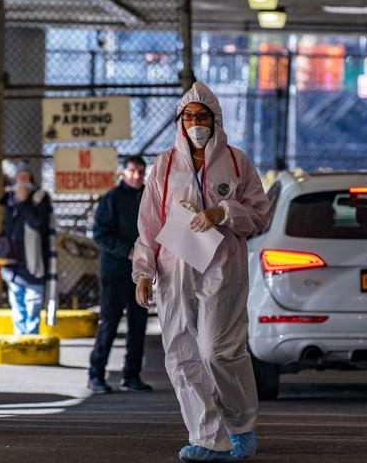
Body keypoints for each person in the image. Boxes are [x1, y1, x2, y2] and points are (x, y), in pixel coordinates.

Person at [132, 82, 270, 462]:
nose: (195, 122)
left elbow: (259, 215)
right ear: (180, 120)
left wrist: (223, 212)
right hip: (175, 268)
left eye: (202, 116)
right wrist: (143, 270)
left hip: (222, 268)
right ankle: (208, 437)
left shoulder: (238, 162)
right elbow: (148, 222)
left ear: (216, 119)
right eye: (189, 116)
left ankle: (241, 425)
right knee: (181, 354)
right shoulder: (163, 165)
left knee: (217, 351)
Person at [88, 155, 152, 394]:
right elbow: (100, 234)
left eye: (141, 171)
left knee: (138, 325)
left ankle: (132, 375)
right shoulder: (111, 199)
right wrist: (128, 250)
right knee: (109, 323)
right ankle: (96, 375)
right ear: (123, 173)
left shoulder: (149, 197)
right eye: (133, 171)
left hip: (142, 272)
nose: (137, 176)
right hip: (115, 271)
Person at [0, 160, 56, 335]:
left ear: (32, 179)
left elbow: (37, 222)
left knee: (32, 306)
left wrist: (24, 202)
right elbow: (6, 227)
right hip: (14, 263)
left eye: (26, 177)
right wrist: (16, 202)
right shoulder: (10, 200)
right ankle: (19, 339)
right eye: (19, 177)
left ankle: (31, 339)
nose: (22, 181)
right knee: (17, 305)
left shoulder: (41, 198)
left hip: (34, 263)